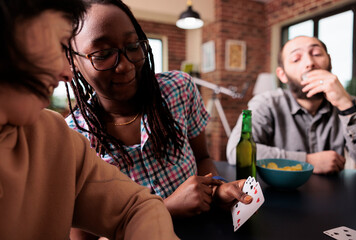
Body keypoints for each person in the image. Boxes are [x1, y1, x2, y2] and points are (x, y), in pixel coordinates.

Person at [65, 1, 252, 238]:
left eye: (133, 46)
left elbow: (202, 157)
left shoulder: (179, 89)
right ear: (73, 61)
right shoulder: (72, 136)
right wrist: (166, 208)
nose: (125, 66)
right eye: (102, 54)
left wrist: (216, 191)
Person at [0, 0, 181, 239]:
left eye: (133, 46)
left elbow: (136, 207)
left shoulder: (54, 137)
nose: (66, 73)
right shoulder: (71, 129)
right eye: (57, 44)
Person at [227, 36, 356, 174]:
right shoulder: (266, 103)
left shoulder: (349, 104)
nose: (309, 63)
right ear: (282, 74)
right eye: (296, 59)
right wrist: (307, 161)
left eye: (316, 54)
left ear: (330, 61)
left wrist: (347, 106)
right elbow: (235, 152)